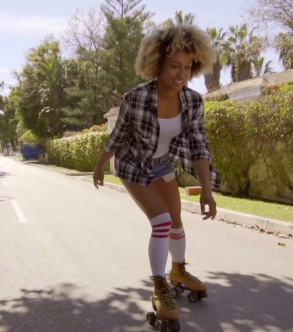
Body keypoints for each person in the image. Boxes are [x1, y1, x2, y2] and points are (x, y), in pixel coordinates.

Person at [92, 23, 220, 325]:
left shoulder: (192, 101)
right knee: (161, 221)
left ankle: (178, 270)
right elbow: (118, 136)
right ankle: (160, 285)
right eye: (174, 66)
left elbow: (199, 144)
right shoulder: (136, 98)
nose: (181, 74)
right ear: (157, 63)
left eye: (188, 67)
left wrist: (207, 190)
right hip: (133, 166)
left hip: (162, 164)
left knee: (176, 221)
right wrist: (100, 165)